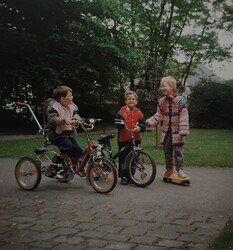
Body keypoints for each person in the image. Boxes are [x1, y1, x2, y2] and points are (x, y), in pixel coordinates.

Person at [146, 76, 190, 178]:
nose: (161, 88)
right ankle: (169, 170)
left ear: (172, 86)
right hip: (166, 132)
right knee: (167, 152)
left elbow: (184, 115)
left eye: (163, 86)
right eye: (161, 86)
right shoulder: (162, 101)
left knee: (179, 152)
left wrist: (183, 130)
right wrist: (149, 122)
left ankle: (180, 170)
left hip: (178, 131)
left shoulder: (180, 101)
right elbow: (159, 115)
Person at [47, 85, 84, 176]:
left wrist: (79, 120)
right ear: (62, 99)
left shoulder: (71, 107)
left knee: (78, 149)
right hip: (57, 134)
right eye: (70, 96)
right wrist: (58, 120)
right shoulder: (54, 107)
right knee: (67, 146)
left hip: (69, 133)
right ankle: (54, 164)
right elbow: (52, 119)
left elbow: (75, 115)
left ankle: (77, 165)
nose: (72, 97)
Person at [115, 90, 147, 185]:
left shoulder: (138, 112)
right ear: (125, 101)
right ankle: (123, 176)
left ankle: (131, 175)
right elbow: (118, 124)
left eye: (133, 99)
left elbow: (143, 123)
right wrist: (123, 119)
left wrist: (140, 127)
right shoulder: (122, 111)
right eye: (129, 99)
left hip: (135, 139)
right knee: (124, 158)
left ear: (136, 101)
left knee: (134, 157)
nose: (131, 100)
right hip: (123, 139)